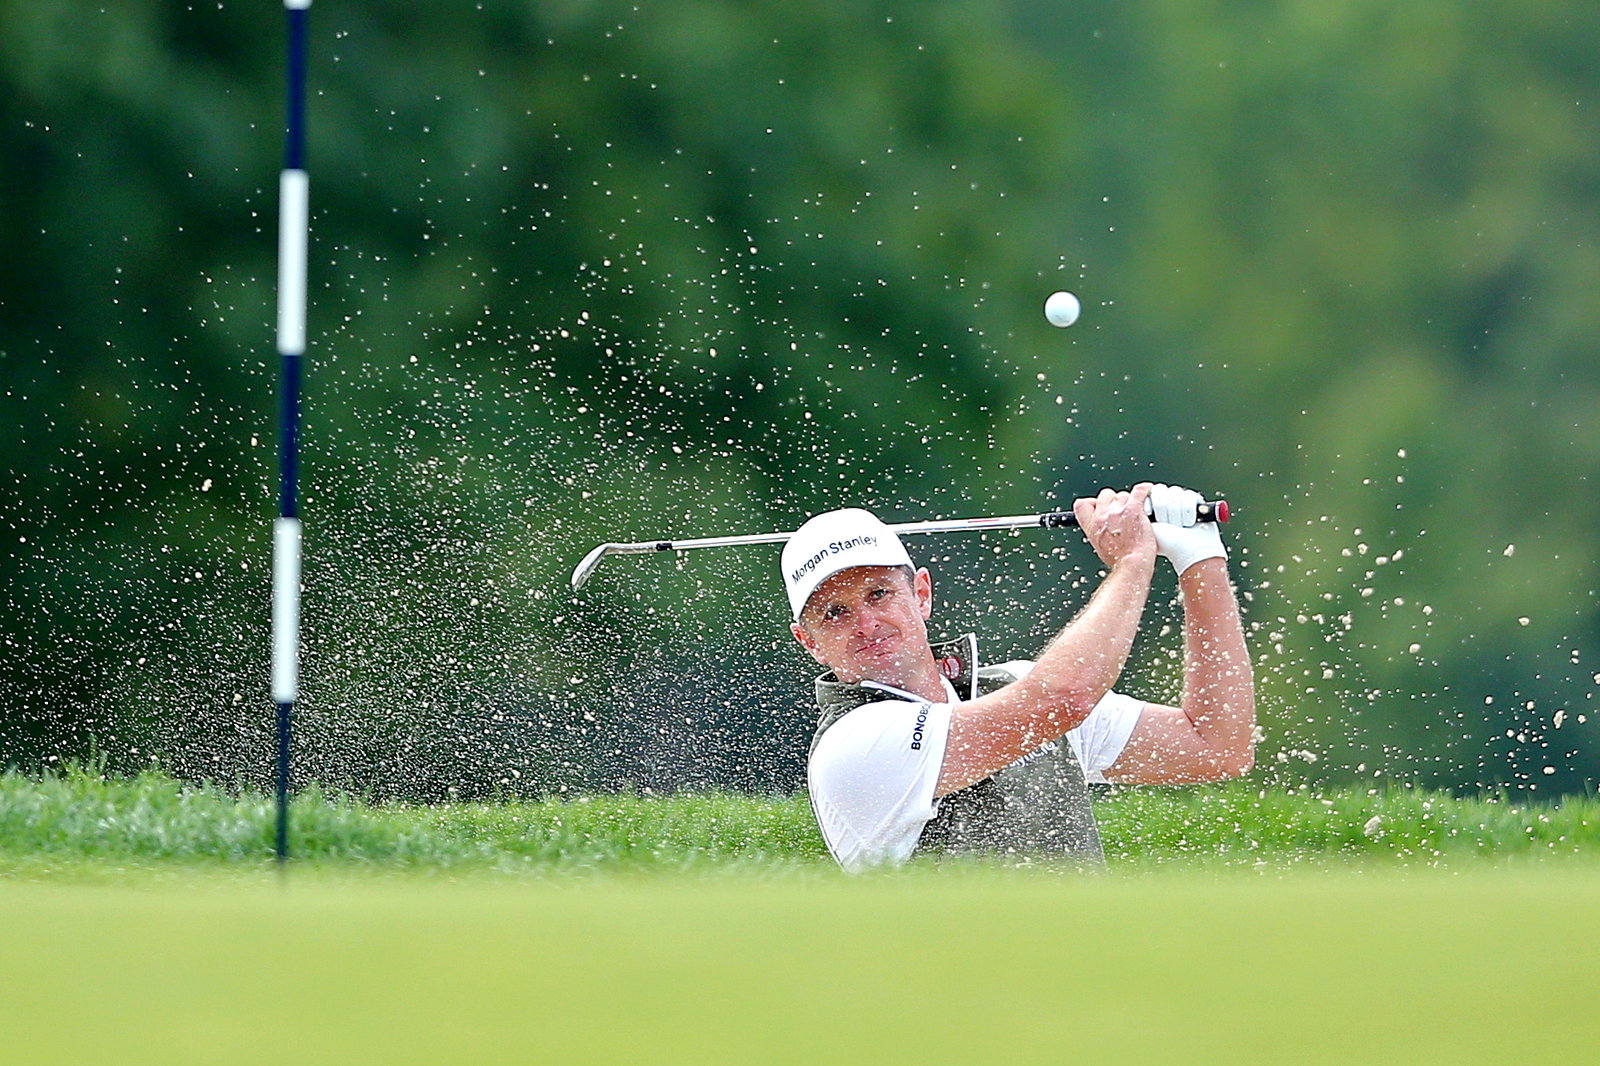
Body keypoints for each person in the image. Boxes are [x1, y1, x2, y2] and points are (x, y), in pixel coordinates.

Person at [782, 483, 1255, 871]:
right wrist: (1133, 562)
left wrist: (1199, 560)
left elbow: (1216, 747)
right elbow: (1063, 700)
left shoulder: (1010, 683)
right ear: (810, 642)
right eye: (835, 613)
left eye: (879, 594)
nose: (866, 623)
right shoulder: (851, 745)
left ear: (921, 595)